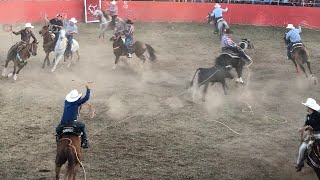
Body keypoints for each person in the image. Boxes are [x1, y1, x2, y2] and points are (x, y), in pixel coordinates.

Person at [56, 82, 91, 148]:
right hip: (73, 122)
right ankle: (84, 141)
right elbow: (86, 97)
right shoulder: (77, 102)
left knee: (57, 130)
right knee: (82, 126)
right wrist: (88, 88)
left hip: (63, 122)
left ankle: (58, 139)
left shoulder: (66, 101)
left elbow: (75, 101)